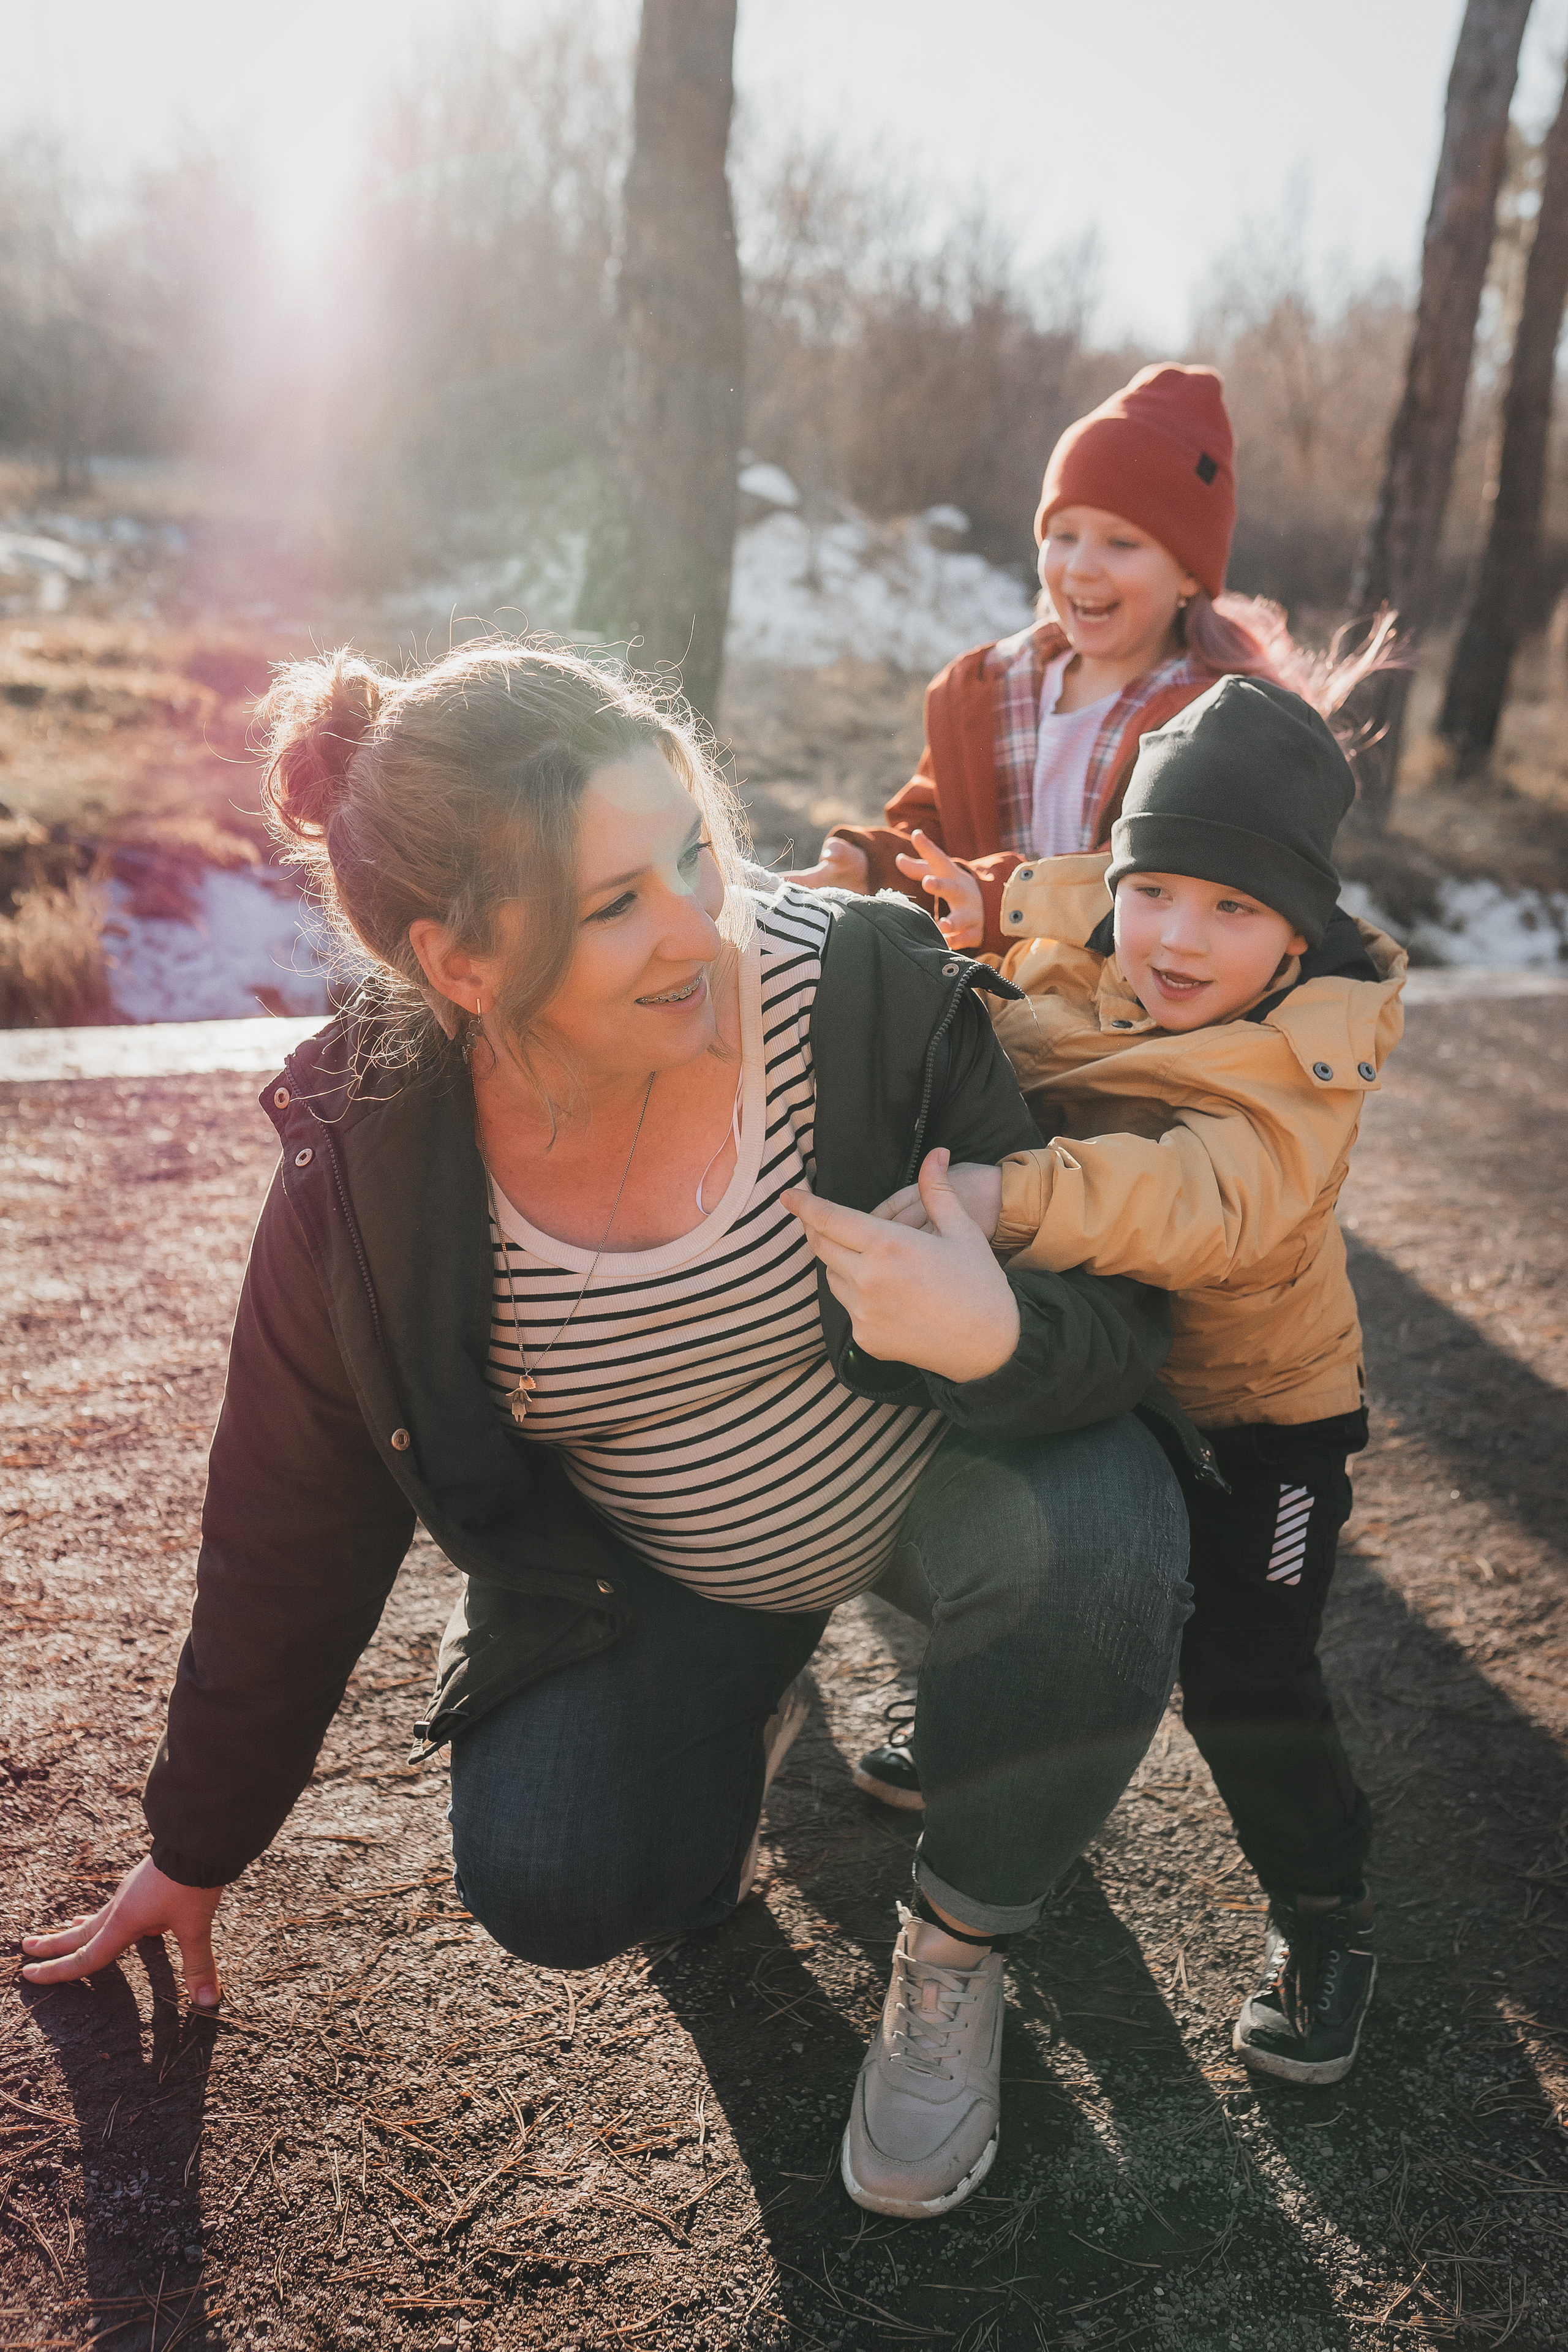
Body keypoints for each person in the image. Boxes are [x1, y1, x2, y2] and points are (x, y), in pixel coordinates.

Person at [21, 638, 1196, 2223]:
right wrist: (195, 1842)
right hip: (662, 1578)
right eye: (615, 904)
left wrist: (993, 1333)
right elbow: (290, 1515)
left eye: (691, 851)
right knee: (554, 1881)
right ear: (462, 965)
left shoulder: (861, 987)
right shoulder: (369, 1157)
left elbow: (1121, 1323)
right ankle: (742, 1707)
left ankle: (956, 1951)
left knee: (1112, 1536)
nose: (698, 925)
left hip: (954, 1492)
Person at [857, 676, 1406, 2087]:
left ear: (1296, 932)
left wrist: (1008, 1192)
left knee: (1242, 1675)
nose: (1176, 937)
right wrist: (973, 911)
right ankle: (977, 1732)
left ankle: (1325, 1912)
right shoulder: (1088, 932)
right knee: (1007, 1534)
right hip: (1107, 1370)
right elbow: (1032, 911)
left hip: (1256, 1421)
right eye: (1152, 888)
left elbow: (1191, 1203)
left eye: (1232, 908)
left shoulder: (1301, 1065)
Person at [787, 362, 1395, 955]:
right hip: (979, 999)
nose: (1081, 567)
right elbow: (933, 841)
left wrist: (1000, 900)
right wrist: (872, 865)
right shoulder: (983, 690)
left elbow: (1154, 878)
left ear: (1189, 573)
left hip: (1122, 1008)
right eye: (1063, 535)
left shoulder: (1214, 724)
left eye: (1121, 543)